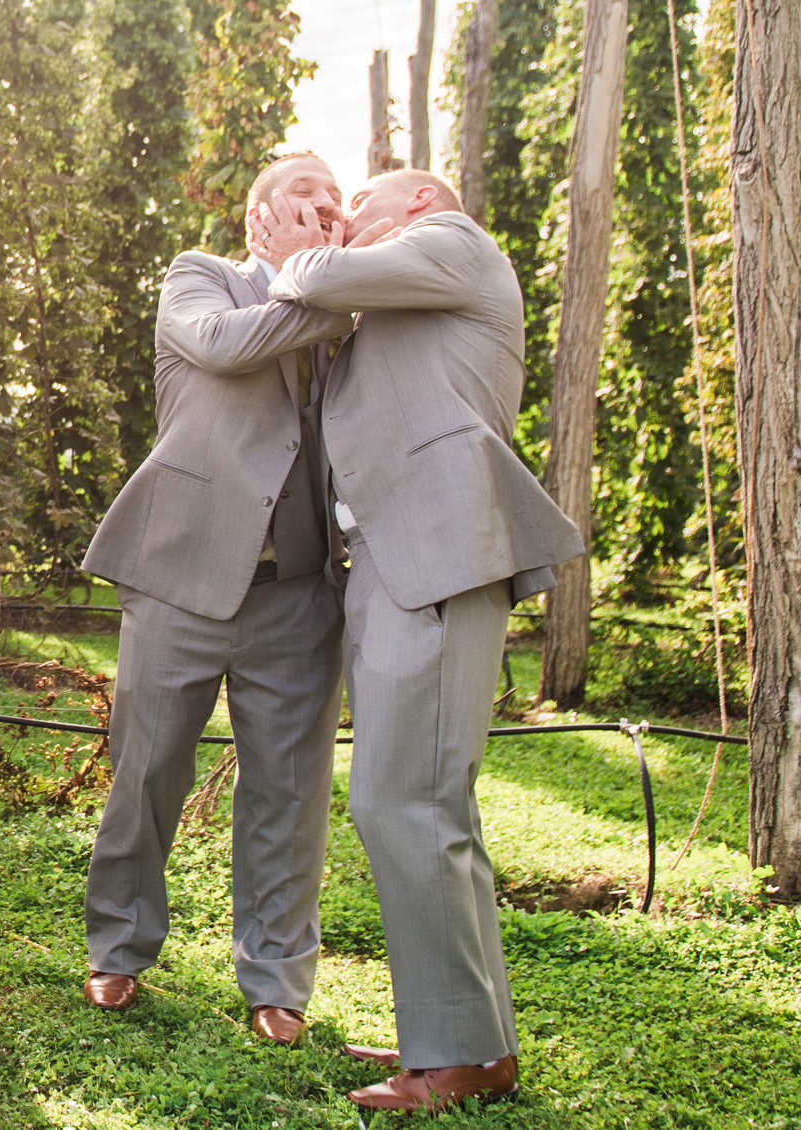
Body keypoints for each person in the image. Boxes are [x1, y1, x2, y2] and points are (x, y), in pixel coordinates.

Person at [265, 168, 584, 1114]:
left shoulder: (454, 243)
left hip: (438, 554)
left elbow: (313, 281)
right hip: (394, 564)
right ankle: (467, 1042)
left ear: (415, 203)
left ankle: (449, 1052)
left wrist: (298, 253)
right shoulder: (399, 293)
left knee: (405, 800)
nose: (341, 214)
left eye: (358, 200)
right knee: (423, 803)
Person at [77, 153, 355, 1045]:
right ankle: (118, 951)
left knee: (288, 791)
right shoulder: (202, 282)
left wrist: (338, 292)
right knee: (149, 769)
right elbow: (228, 348)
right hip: (181, 575)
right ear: (259, 219)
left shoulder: (356, 304)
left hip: (299, 592)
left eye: (336, 201)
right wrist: (316, 290)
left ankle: (276, 979)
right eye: (305, 197)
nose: (325, 209)